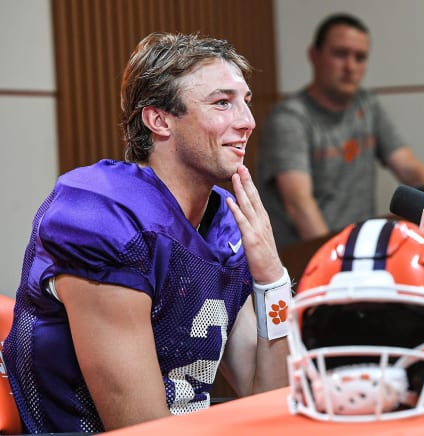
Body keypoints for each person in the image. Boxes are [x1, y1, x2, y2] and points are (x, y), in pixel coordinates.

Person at [2, 32, 290, 433]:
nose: (247, 121)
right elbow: (141, 428)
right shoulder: (103, 212)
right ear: (158, 119)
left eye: (246, 102)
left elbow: (274, 403)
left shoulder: (226, 220)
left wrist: (272, 279)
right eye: (223, 102)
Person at [257, 13, 424, 249]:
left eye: (360, 57)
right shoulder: (290, 118)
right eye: (340, 54)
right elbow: (299, 205)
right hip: (305, 260)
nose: (350, 66)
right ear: (314, 56)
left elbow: (410, 169)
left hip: (361, 252)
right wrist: (337, 262)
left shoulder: (368, 106)